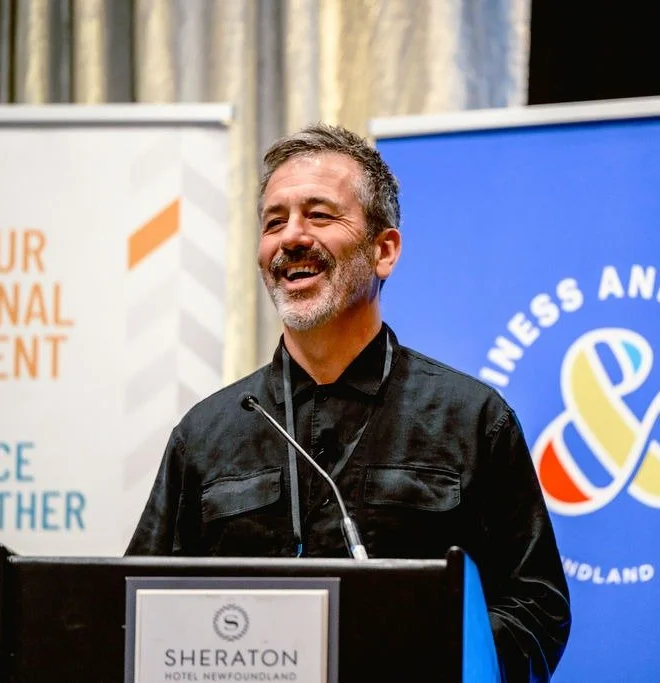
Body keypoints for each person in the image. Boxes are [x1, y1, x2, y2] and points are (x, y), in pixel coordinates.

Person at [126, 123, 571, 681]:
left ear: (383, 251)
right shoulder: (206, 434)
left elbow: (538, 609)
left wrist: (421, 654)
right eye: (273, 221)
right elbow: (136, 609)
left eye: (319, 215)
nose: (290, 237)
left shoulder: (472, 419)